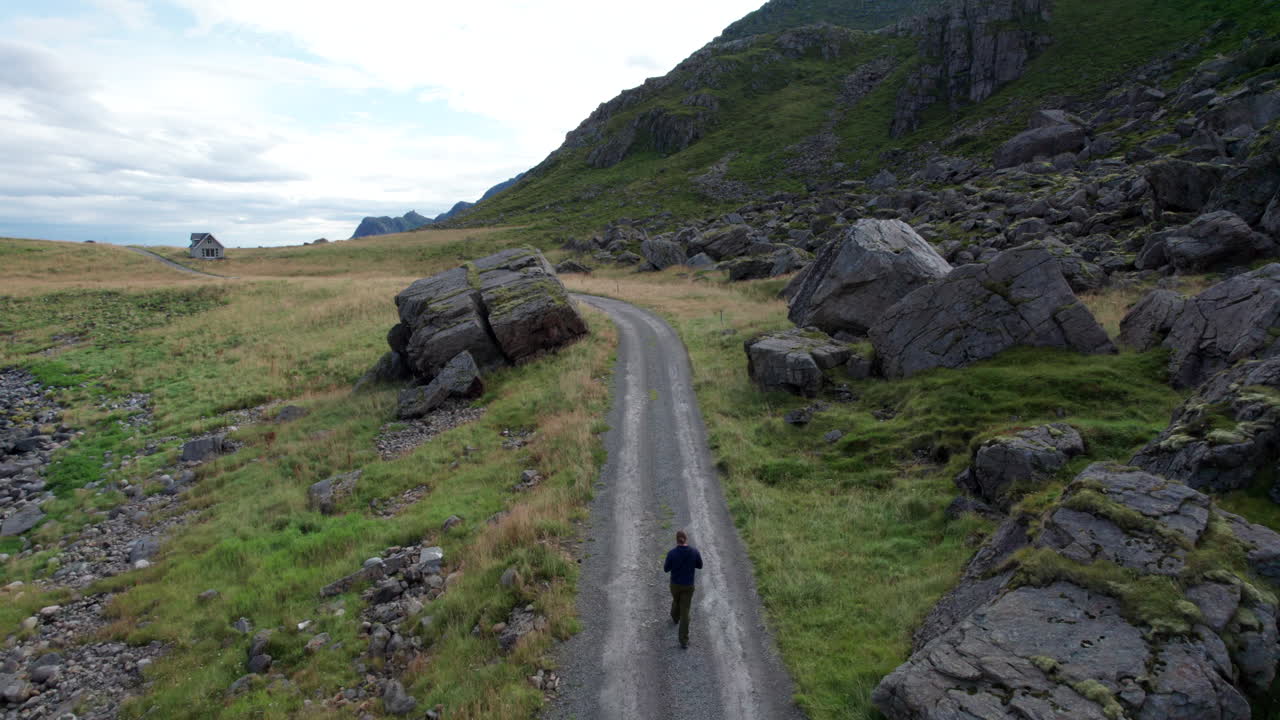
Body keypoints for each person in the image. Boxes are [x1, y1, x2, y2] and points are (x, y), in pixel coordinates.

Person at [663, 529, 703, 649]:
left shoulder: (672, 553)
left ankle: (674, 617)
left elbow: (666, 569)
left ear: (677, 540)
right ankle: (683, 640)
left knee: (676, 600)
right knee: (685, 611)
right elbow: (700, 566)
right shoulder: (694, 552)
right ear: (686, 539)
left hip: (675, 585)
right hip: (688, 586)